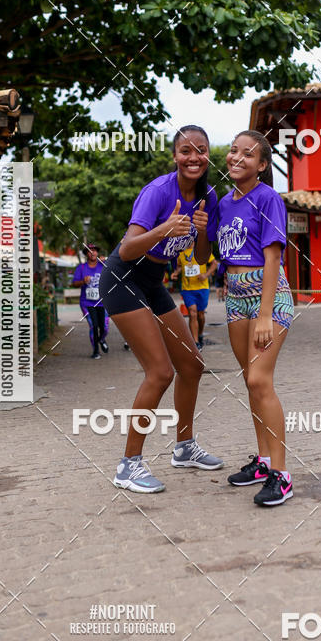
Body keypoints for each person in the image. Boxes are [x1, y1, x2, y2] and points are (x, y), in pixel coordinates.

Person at [99, 125, 224, 493]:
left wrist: (200, 232)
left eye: (200, 150)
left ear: (207, 156)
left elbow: (202, 258)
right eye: (185, 150)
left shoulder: (208, 197)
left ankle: (184, 447)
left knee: (192, 365)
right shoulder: (158, 191)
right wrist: (164, 229)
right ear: (175, 156)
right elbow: (126, 249)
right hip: (123, 278)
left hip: (153, 282)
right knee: (160, 372)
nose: (193, 157)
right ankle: (128, 466)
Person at [218, 129, 295, 508]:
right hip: (234, 297)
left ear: (262, 165)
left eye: (248, 155)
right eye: (234, 151)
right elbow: (209, 254)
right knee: (250, 384)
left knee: (258, 379)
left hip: (268, 296)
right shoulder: (222, 203)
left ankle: (282, 476)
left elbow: (272, 257)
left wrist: (265, 314)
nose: (238, 158)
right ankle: (263, 463)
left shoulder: (268, 198)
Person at [172, 246, 218, 348]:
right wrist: (176, 273)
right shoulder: (181, 252)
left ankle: (200, 334)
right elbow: (179, 266)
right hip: (187, 289)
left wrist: (206, 275)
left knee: (200, 315)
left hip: (202, 288)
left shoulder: (201, 249)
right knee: (192, 313)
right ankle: (195, 342)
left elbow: (214, 263)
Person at [72, 245, 109, 358]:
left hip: (103, 302)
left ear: (97, 253)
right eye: (89, 251)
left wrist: (107, 260)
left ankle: (102, 340)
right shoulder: (81, 268)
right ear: (86, 254)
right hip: (87, 303)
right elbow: (74, 284)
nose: (92, 253)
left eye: (94, 251)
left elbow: (117, 267)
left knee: (104, 327)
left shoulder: (103, 266)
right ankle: (96, 351)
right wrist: (83, 281)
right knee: (93, 326)